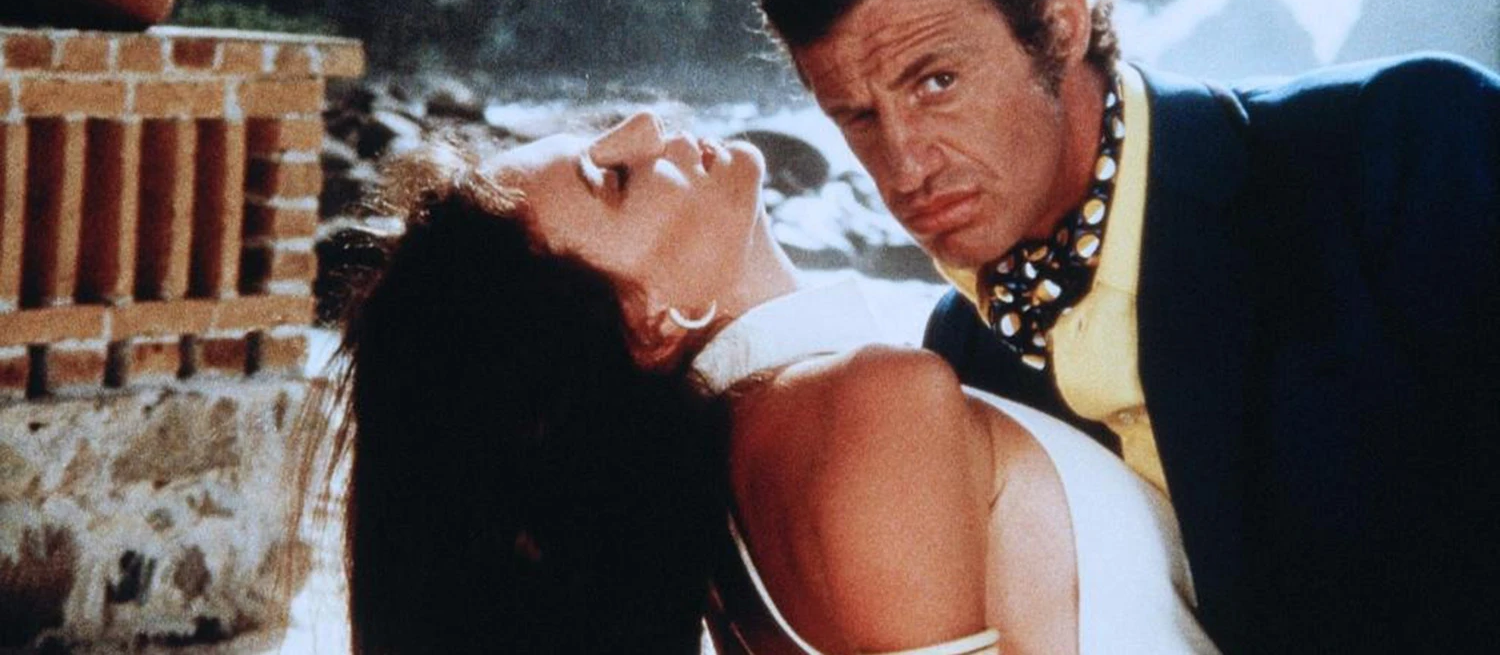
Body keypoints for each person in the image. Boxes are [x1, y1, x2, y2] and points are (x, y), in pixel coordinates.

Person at [757, 0, 1500, 655]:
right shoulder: (960, 348)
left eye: (937, 82)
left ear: (1060, 24)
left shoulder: (1408, 147)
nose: (904, 167)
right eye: (858, 117)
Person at [308, 111, 1221, 654]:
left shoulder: (736, 492)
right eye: (613, 178)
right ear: (649, 321)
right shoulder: (867, 409)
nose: (646, 126)